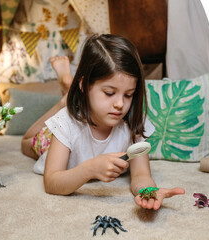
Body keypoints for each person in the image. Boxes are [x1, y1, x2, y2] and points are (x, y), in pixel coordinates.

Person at [21, 34, 185, 210]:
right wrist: (89, 169)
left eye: (128, 94)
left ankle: (69, 93)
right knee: (26, 144)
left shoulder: (132, 122)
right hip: (54, 138)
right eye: (109, 93)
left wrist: (148, 192)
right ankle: (66, 96)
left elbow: (141, 174)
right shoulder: (66, 123)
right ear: (84, 85)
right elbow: (52, 182)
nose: (120, 104)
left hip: (81, 107)